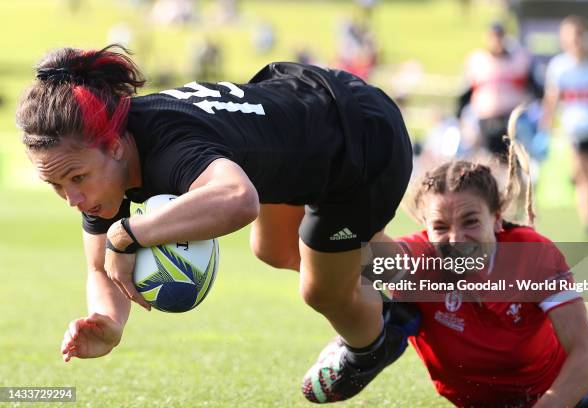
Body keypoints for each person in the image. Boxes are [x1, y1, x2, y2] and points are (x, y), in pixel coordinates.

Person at [15, 45, 415, 401]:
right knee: (273, 249)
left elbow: (238, 200)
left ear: (116, 146)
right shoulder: (96, 150)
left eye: (77, 179)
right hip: (309, 117)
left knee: (322, 292)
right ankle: (419, 275)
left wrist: (129, 234)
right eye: (56, 185)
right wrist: (109, 321)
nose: (73, 200)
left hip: (359, 145)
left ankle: (377, 341)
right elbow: (100, 265)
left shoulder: (167, 148)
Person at [391, 110, 588, 406]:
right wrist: (352, 348)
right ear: (425, 228)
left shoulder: (532, 256)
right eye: (440, 227)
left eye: (471, 221)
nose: (456, 238)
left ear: (496, 219)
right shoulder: (411, 260)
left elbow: (587, 359)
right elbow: (344, 275)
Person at [539, 15, 588, 239]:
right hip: (575, 132)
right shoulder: (560, 67)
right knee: (584, 176)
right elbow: (551, 100)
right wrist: (545, 129)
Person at [457, 21, 542, 160]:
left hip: (514, 120)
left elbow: (536, 89)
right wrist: (460, 118)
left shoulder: (520, 59)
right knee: (486, 159)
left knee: (517, 159)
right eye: (493, 36)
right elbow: (465, 95)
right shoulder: (478, 61)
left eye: (499, 36)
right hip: (485, 121)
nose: (496, 41)